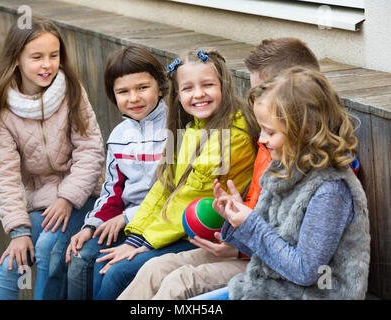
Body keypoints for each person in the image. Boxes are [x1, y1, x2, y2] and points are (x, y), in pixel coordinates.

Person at [118, 37, 321, 300]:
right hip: (239, 246)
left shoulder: (319, 173)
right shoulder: (265, 143)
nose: (254, 101)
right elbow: (167, 186)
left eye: (261, 92)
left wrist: (239, 246)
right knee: (153, 270)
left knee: (174, 282)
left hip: (268, 270)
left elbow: (302, 261)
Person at [93, 48, 259, 300]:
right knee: (101, 261)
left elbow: (186, 196)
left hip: (204, 232)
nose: (198, 94)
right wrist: (137, 233)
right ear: (178, 94)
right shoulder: (188, 128)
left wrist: (143, 243)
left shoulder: (231, 137)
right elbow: (163, 186)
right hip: (176, 227)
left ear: (223, 86)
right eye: (188, 88)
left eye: (207, 85)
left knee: (119, 271)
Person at [193, 66, 370, 300]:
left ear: (305, 132)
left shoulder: (330, 191)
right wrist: (238, 217)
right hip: (268, 287)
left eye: (269, 132)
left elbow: (306, 271)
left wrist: (251, 224)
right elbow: (266, 250)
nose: (261, 139)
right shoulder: (282, 170)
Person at [0, 17, 105, 300]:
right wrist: (18, 231)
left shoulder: (72, 92)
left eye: (54, 56)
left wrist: (67, 198)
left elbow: (91, 151)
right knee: (15, 257)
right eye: (37, 57)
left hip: (82, 197)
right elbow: (4, 175)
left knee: (47, 247)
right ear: (16, 59)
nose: (47, 64)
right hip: (41, 204)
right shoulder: (5, 110)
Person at [42, 46, 169, 300]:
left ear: (160, 87)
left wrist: (126, 217)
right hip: (123, 220)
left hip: (160, 221)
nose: (133, 98)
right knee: (77, 254)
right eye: (123, 91)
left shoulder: (176, 130)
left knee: (103, 265)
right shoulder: (119, 136)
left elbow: (173, 191)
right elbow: (112, 191)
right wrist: (91, 225)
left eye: (142, 87)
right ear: (113, 95)